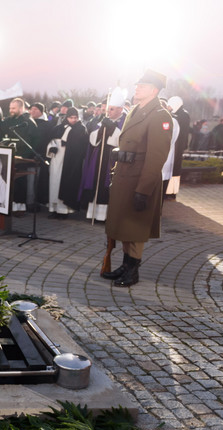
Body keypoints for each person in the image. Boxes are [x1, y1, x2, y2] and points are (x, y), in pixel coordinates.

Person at [103, 69, 173, 287]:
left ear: (154, 90)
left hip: (139, 179)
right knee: (124, 224)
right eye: (137, 85)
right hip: (125, 176)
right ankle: (125, 266)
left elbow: (156, 157)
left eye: (142, 86)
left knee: (135, 227)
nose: (137, 88)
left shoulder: (160, 116)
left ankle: (133, 270)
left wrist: (143, 189)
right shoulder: (135, 110)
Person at [78, 92, 127, 222]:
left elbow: (122, 140)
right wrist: (101, 130)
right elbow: (93, 139)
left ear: (120, 109)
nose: (108, 112)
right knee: (96, 182)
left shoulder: (125, 122)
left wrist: (113, 129)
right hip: (98, 156)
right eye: (108, 109)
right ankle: (93, 214)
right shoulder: (103, 120)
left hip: (112, 158)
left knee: (106, 185)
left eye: (112, 109)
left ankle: (105, 216)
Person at [45, 108, 86, 217]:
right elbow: (51, 140)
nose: (73, 120)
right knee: (54, 182)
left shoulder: (81, 129)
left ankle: (63, 211)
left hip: (70, 162)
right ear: (67, 117)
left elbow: (81, 146)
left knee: (66, 184)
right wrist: (52, 147)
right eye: (71, 117)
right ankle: (54, 209)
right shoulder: (58, 128)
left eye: (75, 118)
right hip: (56, 159)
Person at [166, 96, 190, 199]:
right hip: (173, 145)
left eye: (170, 105)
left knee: (175, 169)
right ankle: (167, 190)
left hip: (177, 146)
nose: (169, 107)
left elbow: (183, 133)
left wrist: (181, 146)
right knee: (170, 168)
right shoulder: (174, 113)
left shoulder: (183, 115)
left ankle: (172, 192)